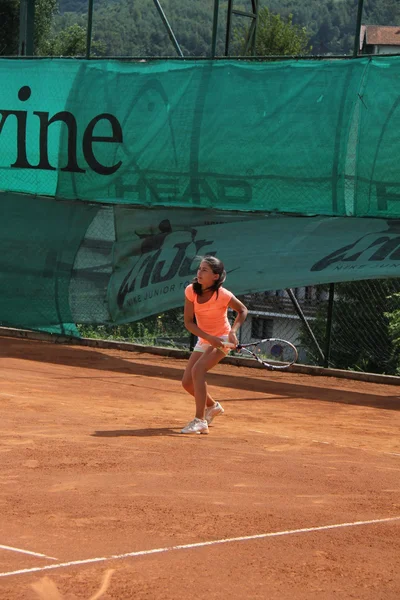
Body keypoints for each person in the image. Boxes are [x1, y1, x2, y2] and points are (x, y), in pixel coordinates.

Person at [181, 256, 248, 434]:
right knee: (187, 383)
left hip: (222, 339)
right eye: (199, 268)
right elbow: (189, 322)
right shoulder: (191, 291)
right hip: (206, 338)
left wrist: (233, 332)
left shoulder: (223, 295)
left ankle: (200, 421)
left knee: (198, 370)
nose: (199, 273)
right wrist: (208, 337)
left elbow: (242, 310)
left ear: (215, 276)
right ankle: (212, 406)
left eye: (205, 270)